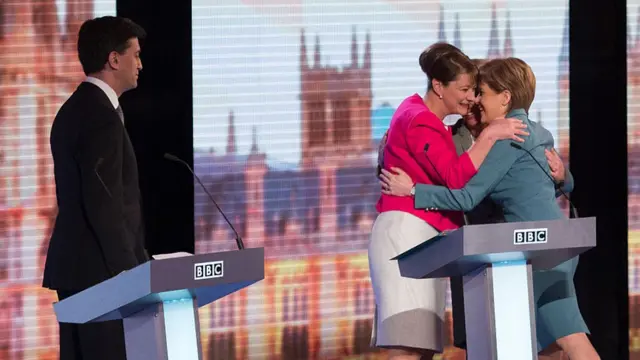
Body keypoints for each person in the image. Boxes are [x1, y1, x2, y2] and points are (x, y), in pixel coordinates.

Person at [379, 58, 599, 360]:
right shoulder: (534, 130)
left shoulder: (508, 137)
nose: (475, 101)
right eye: (471, 92)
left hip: (533, 250)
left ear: (505, 97)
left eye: (480, 92)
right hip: (525, 251)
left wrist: (414, 191)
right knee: (549, 341)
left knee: (569, 339)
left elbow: (466, 196)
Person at [369, 43, 529, 360]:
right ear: (439, 86)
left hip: (426, 242)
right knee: (407, 346)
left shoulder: (423, 118)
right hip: (406, 240)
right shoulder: (420, 119)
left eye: (474, 90)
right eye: (465, 89)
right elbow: (455, 178)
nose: (471, 98)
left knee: (422, 347)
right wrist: (490, 135)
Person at [43, 16, 148, 360]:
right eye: (135, 54)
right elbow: (104, 204)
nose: (140, 64)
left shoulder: (75, 108)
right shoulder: (99, 115)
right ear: (113, 59)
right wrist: (133, 275)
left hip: (79, 268)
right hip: (101, 274)